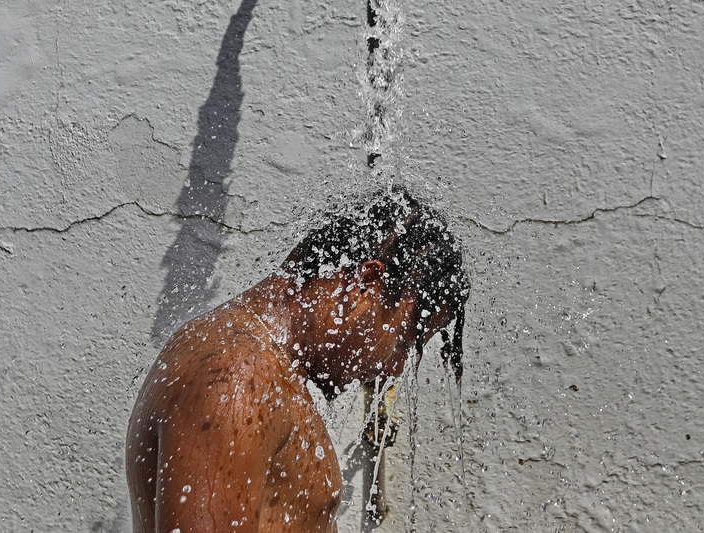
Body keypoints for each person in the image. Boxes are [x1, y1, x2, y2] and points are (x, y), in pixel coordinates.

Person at [126, 188, 469, 532]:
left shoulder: (260, 366)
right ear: (366, 283)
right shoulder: (236, 375)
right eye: (403, 341)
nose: (393, 368)